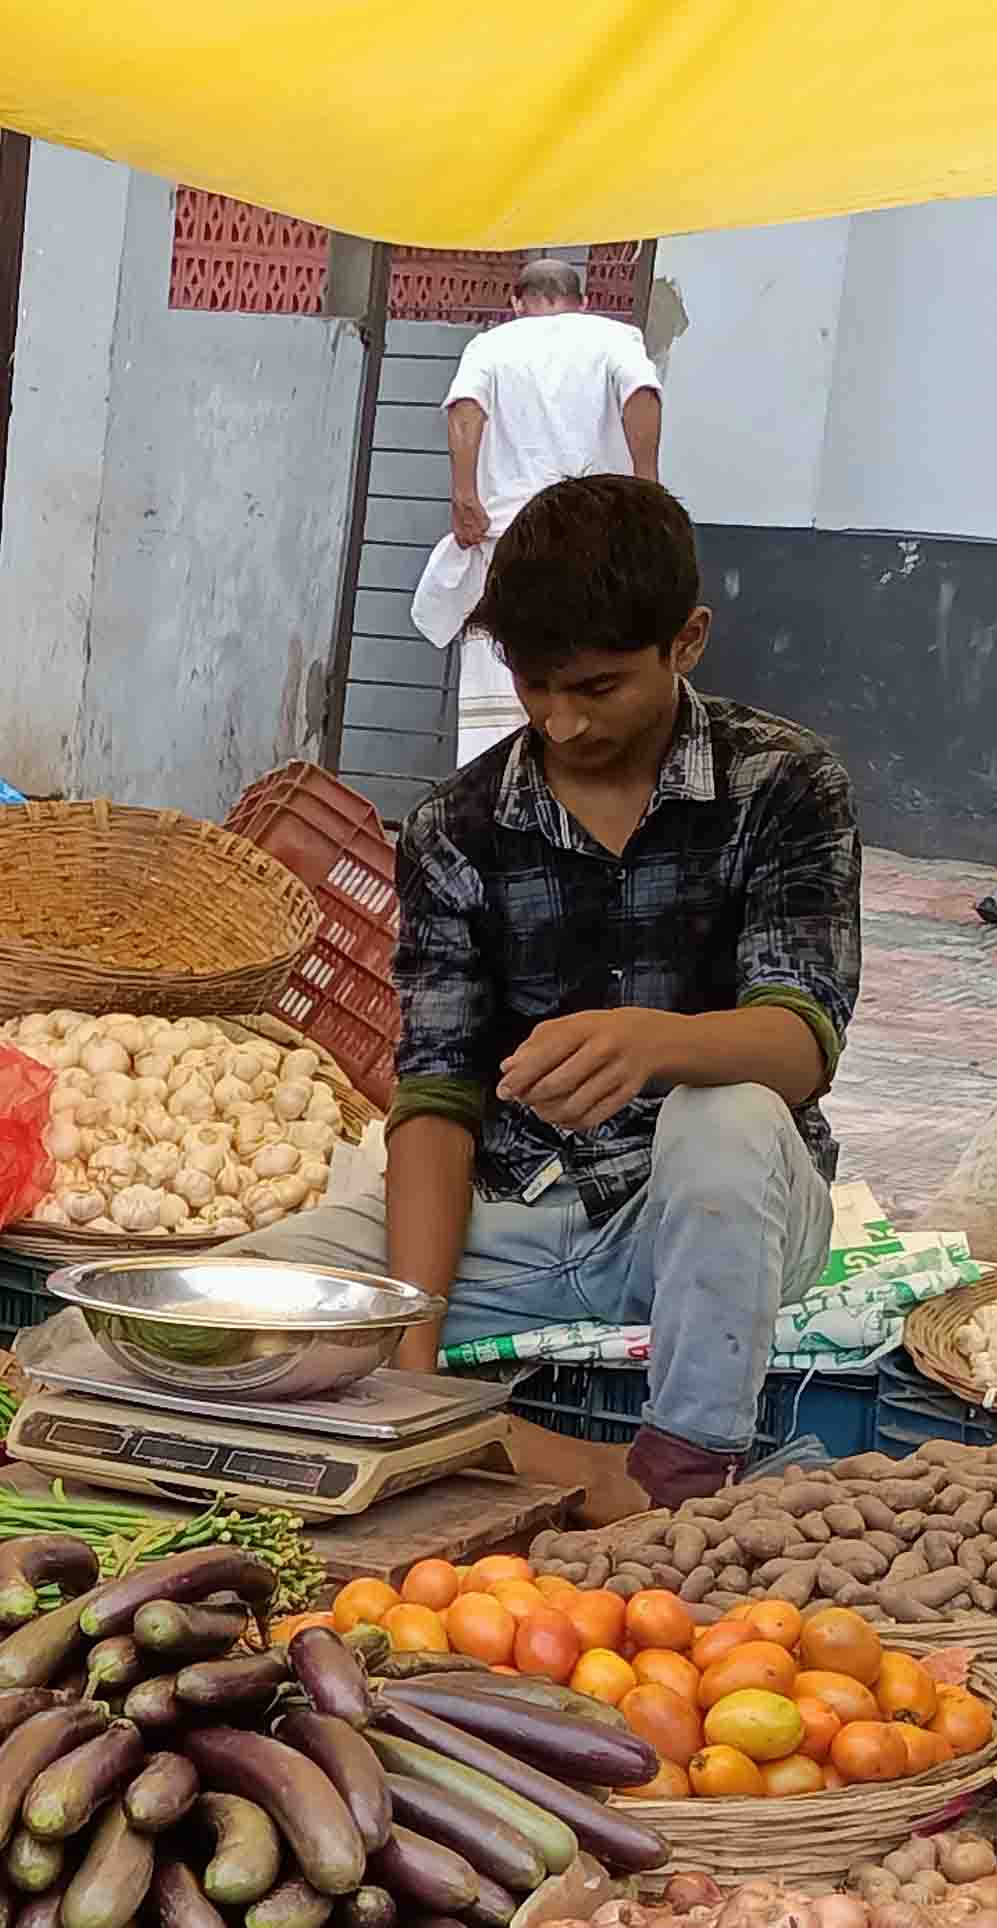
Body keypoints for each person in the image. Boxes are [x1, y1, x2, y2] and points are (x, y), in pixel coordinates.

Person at [229, 477, 855, 1511]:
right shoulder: (456, 827)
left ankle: (690, 1462)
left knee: (728, 1111)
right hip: (509, 1227)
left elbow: (803, 1040)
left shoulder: (784, 783)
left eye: (598, 688)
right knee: (208, 1306)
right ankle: (531, 1455)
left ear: (686, 641)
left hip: (716, 1227)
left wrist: (656, 1042)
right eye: (533, 685)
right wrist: (414, 1364)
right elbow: (435, 1097)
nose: (561, 722)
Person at [410, 254, 660, 765]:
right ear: (582, 303)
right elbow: (642, 392)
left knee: (503, 686)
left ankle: (496, 801)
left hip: (510, 545)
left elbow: (465, 409)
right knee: (590, 671)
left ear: (516, 302)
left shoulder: (491, 345)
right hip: (597, 542)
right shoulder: (613, 339)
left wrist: (464, 497)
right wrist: (647, 483)